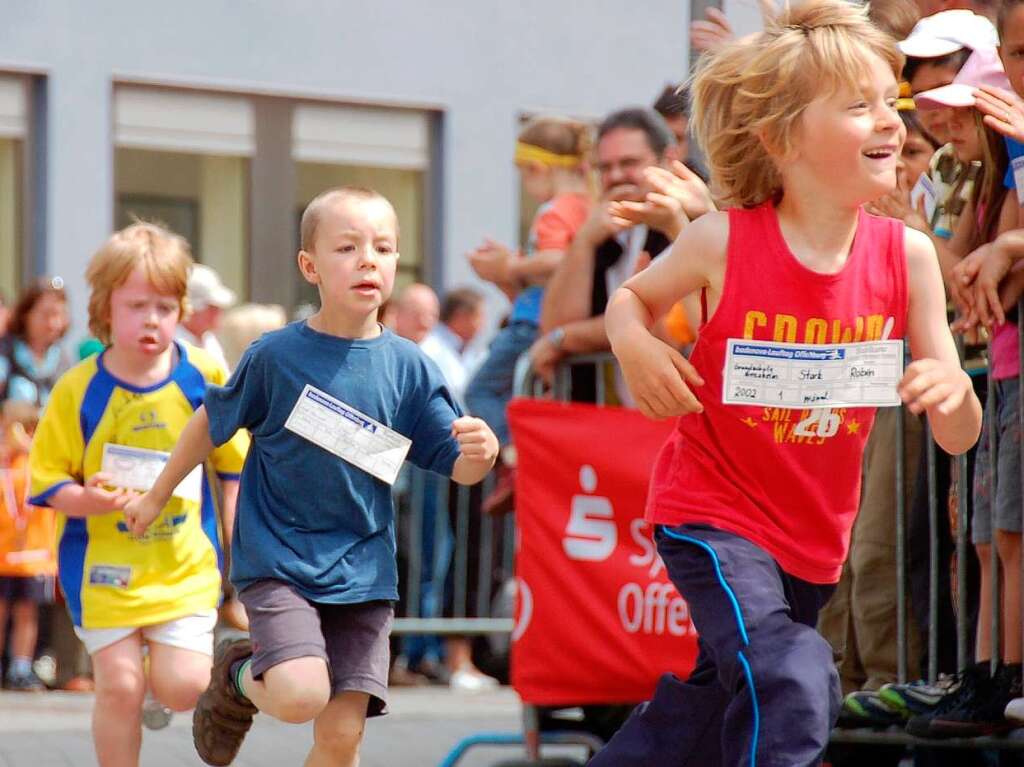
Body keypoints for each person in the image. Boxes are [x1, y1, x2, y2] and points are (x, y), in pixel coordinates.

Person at [591, 2, 982, 764]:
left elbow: (957, 432)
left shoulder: (908, 257)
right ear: (781, 139)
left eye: (890, 103)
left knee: (716, 704)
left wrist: (952, 390)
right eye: (858, 106)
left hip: (811, 539)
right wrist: (632, 342)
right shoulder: (724, 240)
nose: (889, 123)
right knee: (796, 676)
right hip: (710, 513)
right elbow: (631, 299)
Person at [123, 186, 498, 767]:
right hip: (281, 564)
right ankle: (238, 673)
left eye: (383, 247)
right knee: (300, 696)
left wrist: (484, 452)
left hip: (366, 575)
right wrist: (155, 493)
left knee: (341, 737)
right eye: (347, 247)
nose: (368, 259)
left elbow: (461, 468)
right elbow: (210, 422)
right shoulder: (276, 356)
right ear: (310, 266)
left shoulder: (412, 368)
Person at [28, 223, 248, 767]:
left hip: (183, 565)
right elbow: (49, 482)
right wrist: (91, 499)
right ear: (105, 308)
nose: (152, 319)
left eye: (166, 307)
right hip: (104, 569)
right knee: (119, 689)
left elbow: (233, 467)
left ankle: (187, 680)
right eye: (136, 306)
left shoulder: (206, 376)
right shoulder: (79, 388)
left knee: (183, 687)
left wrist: (242, 556)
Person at [533, 108, 712, 396]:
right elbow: (555, 322)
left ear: (669, 159)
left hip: (685, 411)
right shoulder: (601, 229)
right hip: (620, 422)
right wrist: (584, 242)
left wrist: (564, 339)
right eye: (604, 167)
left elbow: (669, 326)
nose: (616, 176)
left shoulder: (699, 223)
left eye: (629, 163)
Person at [464, 116, 591, 447]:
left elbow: (558, 260)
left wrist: (511, 266)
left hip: (532, 322)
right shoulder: (586, 206)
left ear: (537, 169)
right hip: (555, 320)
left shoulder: (553, 211)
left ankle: (515, 454)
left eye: (524, 177)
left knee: (479, 391)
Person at [0, 400, 55, 691]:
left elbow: (53, 475)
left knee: (27, 613)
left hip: (35, 555)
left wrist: (28, 447)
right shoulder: (4, 459)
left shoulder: (38, 457)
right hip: (2, 553)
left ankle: (21, 666)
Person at [0, 277, 70, 406]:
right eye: (45, 314)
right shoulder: (5, 351)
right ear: (26, 315)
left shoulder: (63, 360)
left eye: (58, 315)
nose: (52, 324)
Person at [420, 288, 485, 407]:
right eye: (478, 316)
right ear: (461, 316)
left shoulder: (470, 351)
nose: (482, 324)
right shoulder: (430, 349)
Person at [177, 263, 236, 372]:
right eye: (212, 308)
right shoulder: (173, 346)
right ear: (191, 309)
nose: (218, 313)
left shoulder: (209, 340)